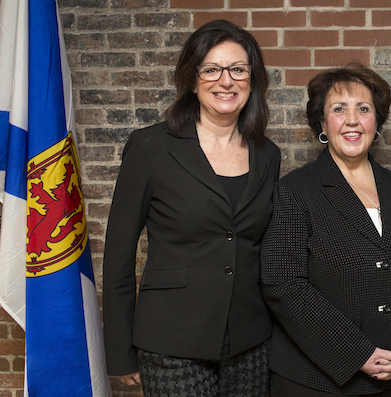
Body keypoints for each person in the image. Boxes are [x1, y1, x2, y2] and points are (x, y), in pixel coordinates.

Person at [102, 20, 280, 396]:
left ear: (253, 80)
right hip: (171, 341)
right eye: (211, 69)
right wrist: (119, 351)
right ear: (192, 79)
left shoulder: (268, 155)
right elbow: (118, 255)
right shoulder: (151, 148)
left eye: (238, 70)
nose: (226, 81)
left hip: (250, 340)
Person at [260, 63, 391, 396]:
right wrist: (357, 352)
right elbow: (283, 284)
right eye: (338, 109)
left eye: (363, 109)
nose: (352, 120)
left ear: (376, 122)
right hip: (316, 384)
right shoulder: (295, 191)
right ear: (322, 123)